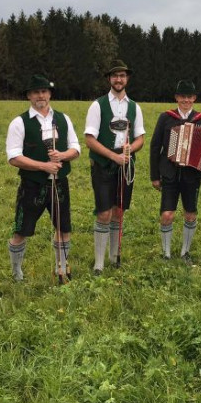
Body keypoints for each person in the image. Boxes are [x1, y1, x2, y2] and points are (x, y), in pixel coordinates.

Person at [6, 75, 80, 283]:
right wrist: (43, 166)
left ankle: (62, 268)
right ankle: (16, 271)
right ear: (29, 96)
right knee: (21, 230)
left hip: (60, 183)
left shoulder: (63, 119)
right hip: (32, 185)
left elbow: (76, 148)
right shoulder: (19, 123)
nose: (41, 95)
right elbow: (13, 157)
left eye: (44, 91)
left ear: (50, 94)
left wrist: (62, 155)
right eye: (36, 92)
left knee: (63, 228)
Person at [149, 80, 201, 264]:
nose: (186, 100)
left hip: (192, 175)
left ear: (194, 98)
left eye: (189, 97)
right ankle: (166, 253)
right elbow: (155, 146)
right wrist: (154, 176)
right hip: (169, 173)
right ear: (177, 97)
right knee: (167, 214)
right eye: (183, 96)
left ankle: (185, 252)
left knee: (190, 214)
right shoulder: (166, 118)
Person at [85, 59, 145, 275]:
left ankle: (114, 257)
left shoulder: (134, 107)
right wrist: (113, 156)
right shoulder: (98, 105)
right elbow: (89, 140)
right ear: (109, 79)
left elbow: (140, 138)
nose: (119, 79)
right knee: (104, 213)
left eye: (122, 75)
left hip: (125, 165)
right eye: (115, 76)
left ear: (127, 79)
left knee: (119, 211)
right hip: (103, 164)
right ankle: (99, 263)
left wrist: (129, 150)